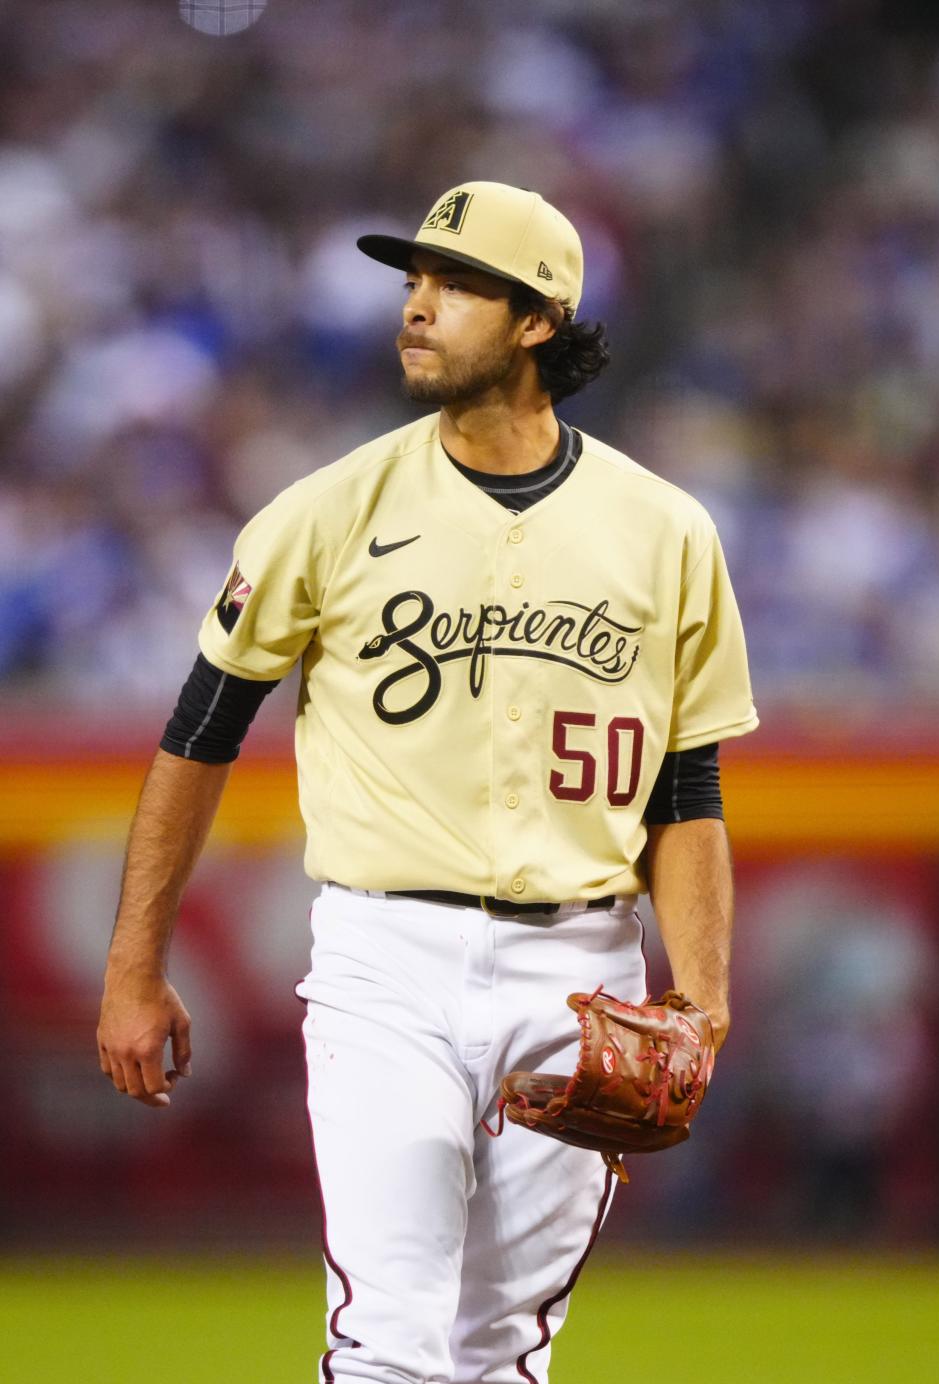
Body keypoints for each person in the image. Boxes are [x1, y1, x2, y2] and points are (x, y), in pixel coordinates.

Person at [98, 180, 759, 1384]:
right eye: (411, 282)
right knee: (391, 1340)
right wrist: (134, 966)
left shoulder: (666, 531)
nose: (416, 306)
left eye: (455, 285)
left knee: (504, 1351)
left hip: (582, 970)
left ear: (538, 319)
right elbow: (197, 735)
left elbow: (687, 789)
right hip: (382, 960)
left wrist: (702, 1003)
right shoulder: (326, 511)